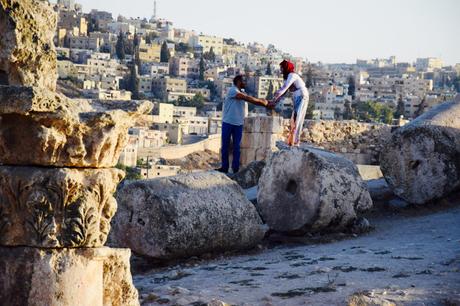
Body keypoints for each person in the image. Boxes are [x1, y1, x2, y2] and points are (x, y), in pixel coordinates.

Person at [217, 75, 269, 174]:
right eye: (243, 80)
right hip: (227, 122)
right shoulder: (232, 90)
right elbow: (247, 98)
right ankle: (224, 167)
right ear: (238, 81)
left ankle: (235, 169)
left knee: (237, 147)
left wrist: (264, 102)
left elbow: (246, 102)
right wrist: (263, 102)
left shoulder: (242, 93)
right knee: (225, 146)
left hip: (238, 124)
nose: (245, 82)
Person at [269, 60, 309, 146]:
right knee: (294, 119)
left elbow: (284, 88)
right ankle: (293, 140)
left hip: (301, 95)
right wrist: (275, 101)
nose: (281, 70)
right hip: (297, 96)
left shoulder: (292, 75)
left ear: (286, 68)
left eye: (282, 68)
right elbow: (284, 92)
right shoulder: (288, 77)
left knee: (297, 118)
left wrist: (274, 98)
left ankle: (295, 141)